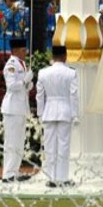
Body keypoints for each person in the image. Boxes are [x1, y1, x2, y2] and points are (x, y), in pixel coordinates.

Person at [36, 45, 79, 188]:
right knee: (63, 146)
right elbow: (73, 95)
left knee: (49, 146)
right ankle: (62, 178)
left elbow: (39, 96)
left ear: (52, 56)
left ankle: (51, 178)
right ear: (65, 56)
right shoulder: (71, 73)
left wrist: (40, 114)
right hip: (65, 110)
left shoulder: (43, 73)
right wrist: (75, 114)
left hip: (49, 111)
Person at [1, 38, 33, 183]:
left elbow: (20, 87)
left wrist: (28, 85)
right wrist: (25, 81)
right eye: (23, 50)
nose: (25, 52)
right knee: (11, 142)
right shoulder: (11, 65)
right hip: (12, 108)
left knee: (19, 142)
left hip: (20, 108)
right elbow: (11, 86)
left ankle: (15, 171)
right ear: (15, 51)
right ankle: (7, 174)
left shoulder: (23, 64)